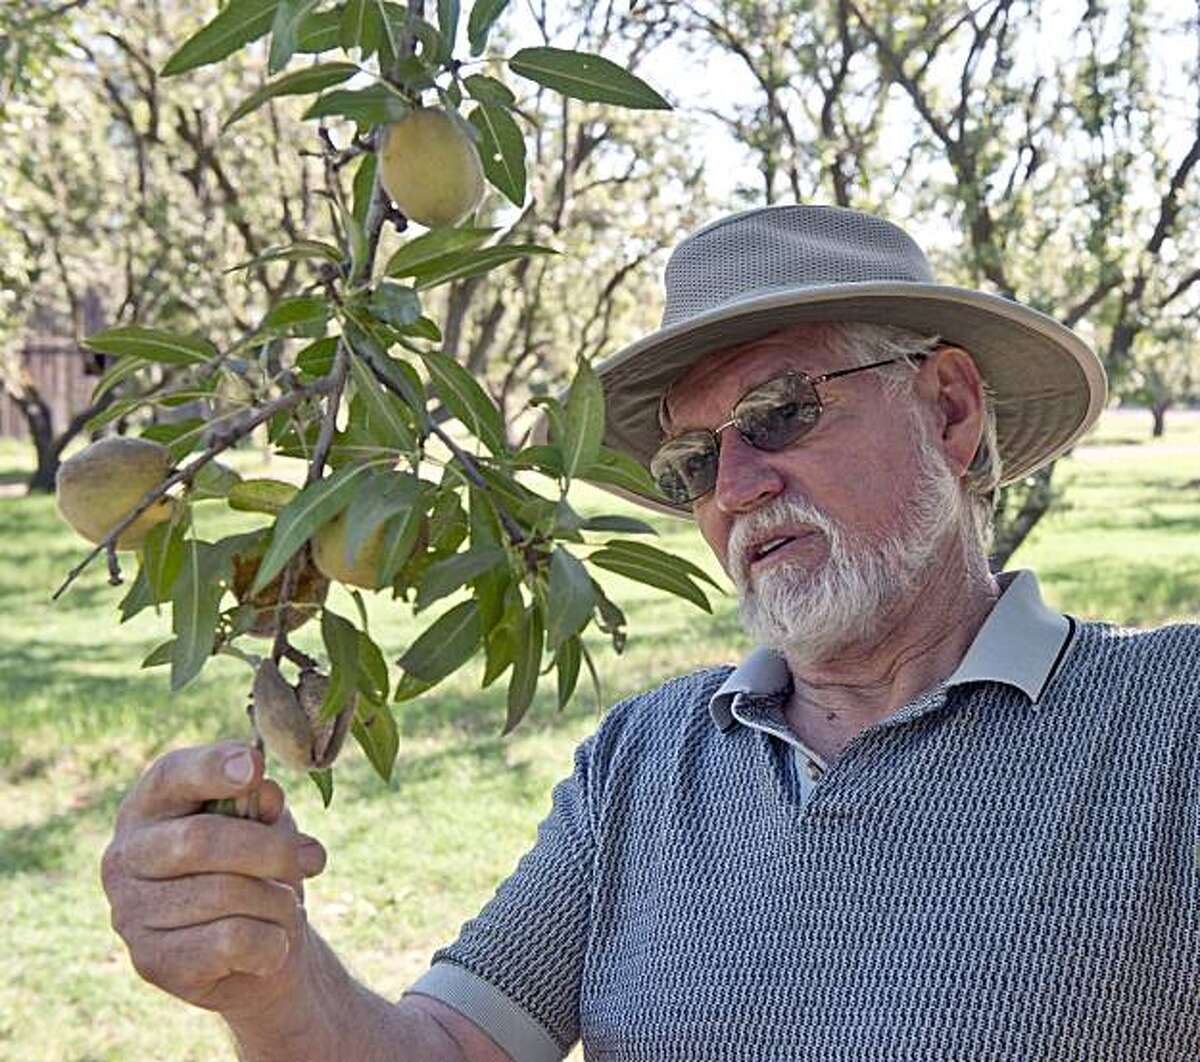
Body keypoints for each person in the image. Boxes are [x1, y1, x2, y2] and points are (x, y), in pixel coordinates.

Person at [101, 205, 1200, 1061]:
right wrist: (275, 981)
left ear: (950, 412)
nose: (735, 486)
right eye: (690, 463)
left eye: (781, 413)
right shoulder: (642, 763)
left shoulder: (1174, 721)